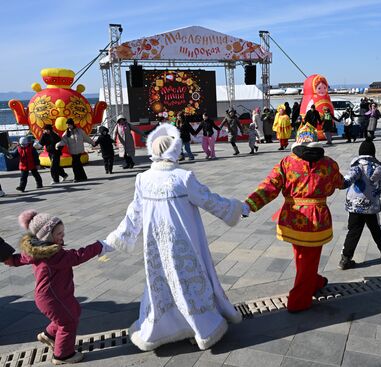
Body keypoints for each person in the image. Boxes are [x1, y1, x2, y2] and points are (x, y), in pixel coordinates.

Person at [104, 124, 243, 351]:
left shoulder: (143, 178)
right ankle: (201, 328)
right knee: (187, 281)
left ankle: (162, 328)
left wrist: (118, 237)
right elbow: (210, 201)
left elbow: (134, 213)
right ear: (176, 149)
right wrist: (236, 208)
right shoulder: (183, 177)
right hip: (183, 242)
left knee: (160, 282)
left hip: (155, 245)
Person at [244, 123, 345, 313]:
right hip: (317, 219)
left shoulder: (287, 163)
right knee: (308, 258)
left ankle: (315, 281)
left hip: (292, 217)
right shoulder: (329, 164)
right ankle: (299, 300)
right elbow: (339, 183)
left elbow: (269, 188)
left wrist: (249, 205)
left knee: (302, 256)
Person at [6, 209, 110, 364]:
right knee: (68, 322)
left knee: (73, 311)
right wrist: (99, 246)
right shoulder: (53, 255)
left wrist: (10, 260)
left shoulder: (35, 251)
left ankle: (49, 335)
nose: (63, 236)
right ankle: (63, 355)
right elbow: (76, 256)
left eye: (63, 232)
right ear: (47, 236)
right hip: (52, 297)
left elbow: (19, 259)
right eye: (59, 234)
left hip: (55, 295)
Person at [339, 139, 381, 270]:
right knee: (376, 228)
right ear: (373, 153)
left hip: (355, 205)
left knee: (353, 231)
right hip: (371, 206)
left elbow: (348, 179)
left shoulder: (357, 166)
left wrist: (341, 183)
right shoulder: (378, 168)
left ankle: (345, 258)